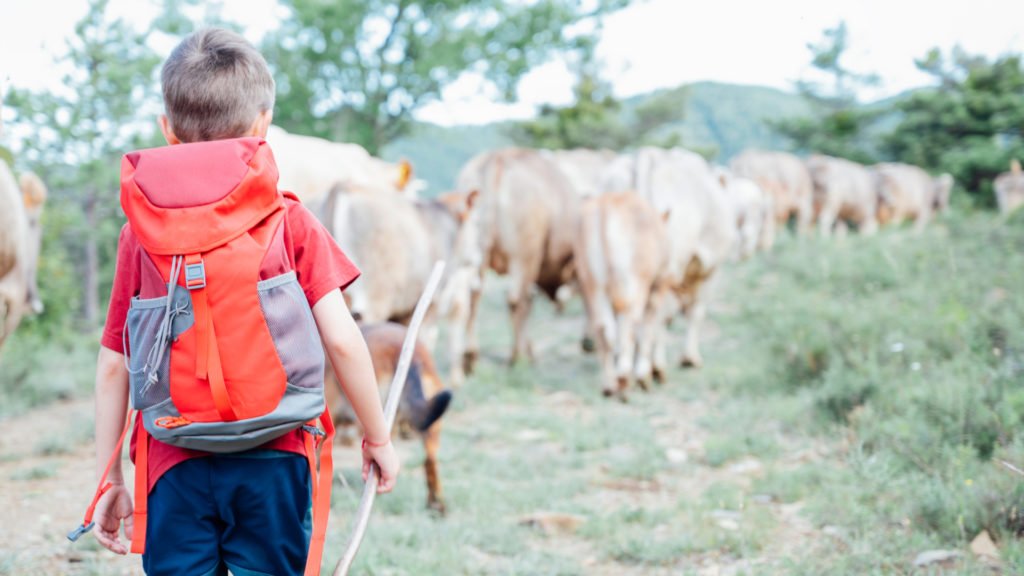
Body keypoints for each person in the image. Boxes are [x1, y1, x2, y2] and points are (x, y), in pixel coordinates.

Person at [88, 27, 400, 575]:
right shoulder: (290, 220)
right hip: (275, 458)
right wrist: (377, 436)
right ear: (263, 125)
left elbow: (115, 364)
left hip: (171, 459)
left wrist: (109, 479)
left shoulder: (137, 234)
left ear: (168, 131)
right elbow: (345, 342)